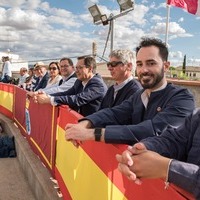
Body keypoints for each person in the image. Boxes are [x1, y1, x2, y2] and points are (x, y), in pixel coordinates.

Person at [64, 37, 195, 146]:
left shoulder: (182, 98)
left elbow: (153, 130)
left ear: (165, 66)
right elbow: (113, 113)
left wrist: (93, 133)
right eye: (139, 64)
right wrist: (85, 124)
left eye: (151, 63)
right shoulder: (139, 95)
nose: (144, 70)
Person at [116, 108, 200, 199]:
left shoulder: (182, 100)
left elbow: (152, 128)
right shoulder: (197, 116)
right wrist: (143, 148)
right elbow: (175, 140)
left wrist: (167, 168)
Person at [34, 55, 107, 116]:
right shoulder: (79, 81)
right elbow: (67, 93)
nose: (77, 71)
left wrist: (49, 100)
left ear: (90, 69)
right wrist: (47, 96)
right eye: (76, 68)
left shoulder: (97, 84)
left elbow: (78, 99)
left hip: (95, 127)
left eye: (80, 68)